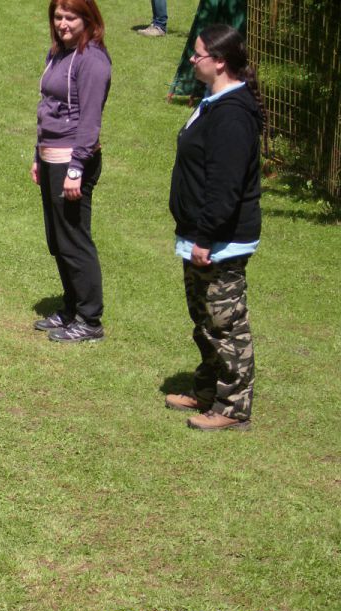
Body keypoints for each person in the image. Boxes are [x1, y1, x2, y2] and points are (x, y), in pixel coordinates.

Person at [165, 24, 264, 431]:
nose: (192, 58)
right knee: (204, 318)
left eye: (199, 53)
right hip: (199, 234)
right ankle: (207, 390)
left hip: (220, 240)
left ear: (220, 61)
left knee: (226, 322)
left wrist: (206, 237)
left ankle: (233, 407)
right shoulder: (212, 101)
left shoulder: (233, 116)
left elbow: (224, 186)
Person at [31, 0, 111, 342]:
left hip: (72, 161)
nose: (63, 23)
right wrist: (38, 154)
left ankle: (90, 320)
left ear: (88, 19)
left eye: (71, 17)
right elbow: (47, 109)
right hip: (51, 157)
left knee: (75, 240)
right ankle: (71, 307)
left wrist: (76, 168)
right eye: (58, 16)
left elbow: (89, 120)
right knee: (58, 240)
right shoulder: (59, 53)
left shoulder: (92, 61)